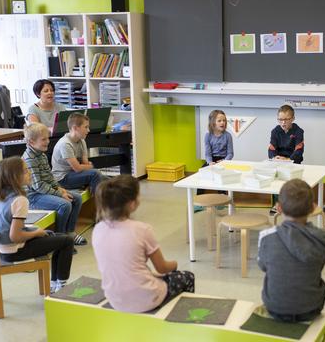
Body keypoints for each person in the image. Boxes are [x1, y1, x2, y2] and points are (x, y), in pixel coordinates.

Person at [92, 175, 195, 313]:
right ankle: (182, 319)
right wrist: (175, 264)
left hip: (115, 299)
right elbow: (162, 268)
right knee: (187, 277)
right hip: (146, 299)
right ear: (132, 203)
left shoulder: (98, 229)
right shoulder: (142, 229)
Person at [0, 156, 74, 293]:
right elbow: (16, 236)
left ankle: (55, 283)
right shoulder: (20, 200)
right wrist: (36, 233)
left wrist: (35, 231)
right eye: (25, 171)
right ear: (14, 177)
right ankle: (61, 285)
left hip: (3, 249)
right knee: (67, 241)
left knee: (56, 236)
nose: (29, 173)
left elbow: (9, 228)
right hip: (15, 251)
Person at [257, 179, 325, 322]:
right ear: (312, 208)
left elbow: (263, 266)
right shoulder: (323, 237)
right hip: (311, 308)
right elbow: (319, 264)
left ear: (278, 208)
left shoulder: (266, 237)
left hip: (275, 308)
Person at [22, 122, 85, 246]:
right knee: (64, 205)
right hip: (33, 196)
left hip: (44, 191)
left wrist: (60, 189)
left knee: (76, 198)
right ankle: (60, 240)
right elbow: (38, 185)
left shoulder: (42, 155)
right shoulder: (29, 159)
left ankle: (70, 233)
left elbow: (50, 178)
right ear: (31, 142)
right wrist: (59, 194)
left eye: (47, 138)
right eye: (43, 139)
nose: (47, 141)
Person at [51, 112, 104, 194]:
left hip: (74, 174)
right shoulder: (65, 144)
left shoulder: (82, 140)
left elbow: (84, 163)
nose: (88, 130)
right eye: (86, 127)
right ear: (75, 128)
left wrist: (87, 166)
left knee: (107, 180)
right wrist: (90, 166)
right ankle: (97, 205)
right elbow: (78, 168)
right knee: (95, 174)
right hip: (63, 178)